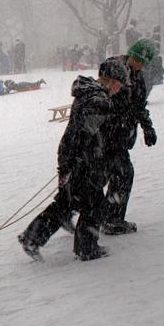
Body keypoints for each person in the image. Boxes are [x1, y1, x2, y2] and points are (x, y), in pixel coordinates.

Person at [18, 59, 129, 262]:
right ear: (112, 82)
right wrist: (81, 161)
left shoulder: (89, 93)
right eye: (120, 85)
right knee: (94, 204)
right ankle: (86, 248)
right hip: (82, 161)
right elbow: (86, 133)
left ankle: (32, 237)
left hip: (72, 156)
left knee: (67, 202)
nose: (119, 90)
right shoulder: (99, 101)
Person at [100, 39, 157, 235]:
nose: (141, 65)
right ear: (132, 55)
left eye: (143, 63)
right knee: (122, 175)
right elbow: (101, 96)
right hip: (107, 134)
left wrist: (147, 127)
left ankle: (88, 214)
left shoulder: (138, 77)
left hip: (120, 135)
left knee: (103, 176)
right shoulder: (113, 68)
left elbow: (139, 105)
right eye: (139, 60)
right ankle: (112, 219)